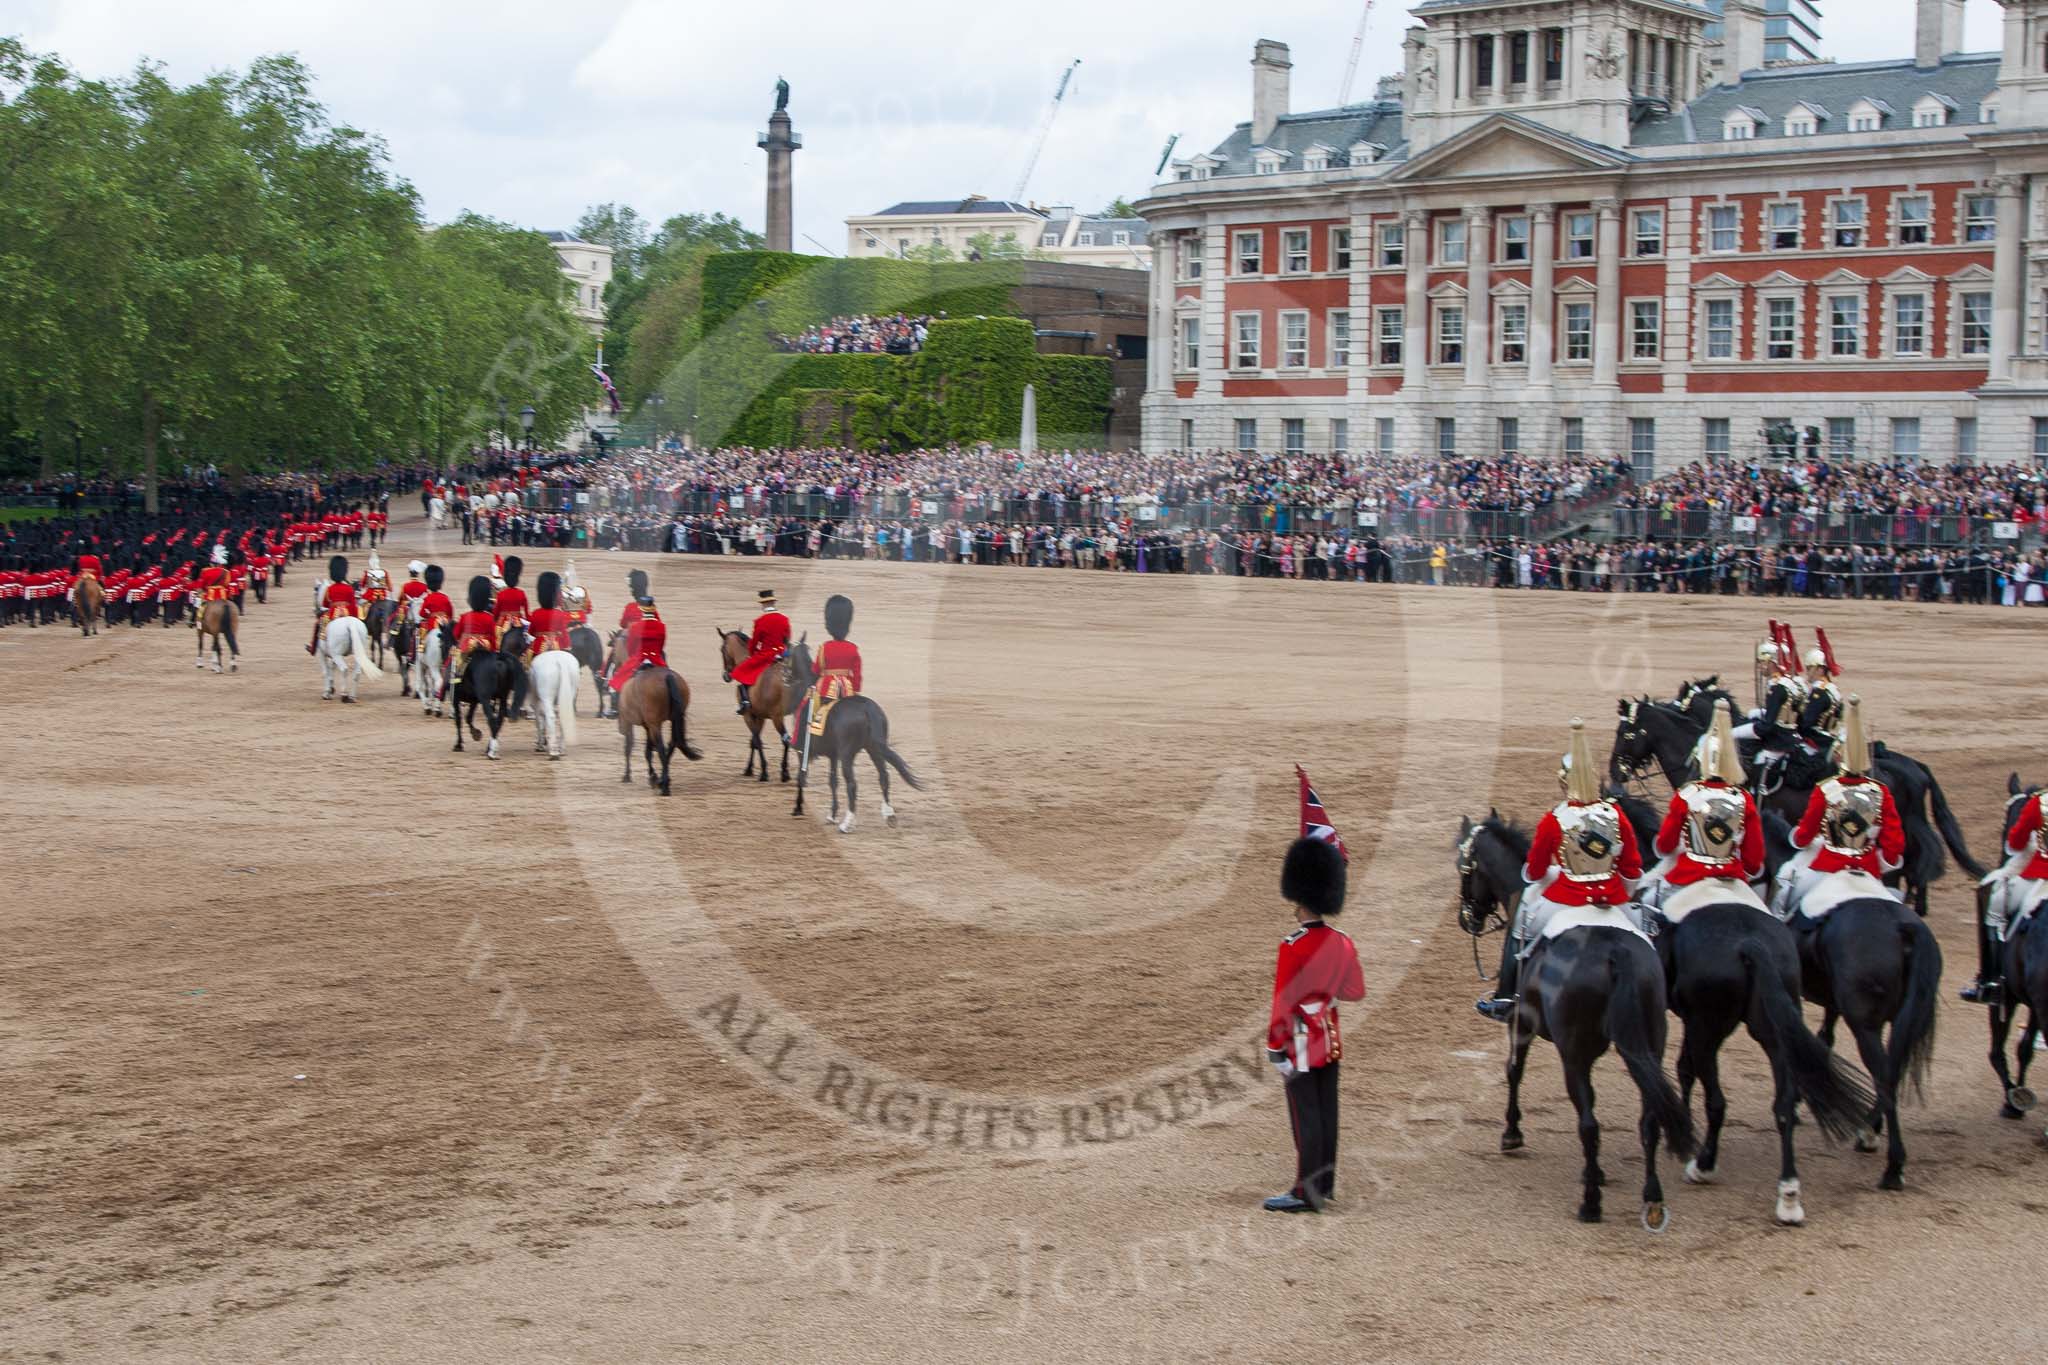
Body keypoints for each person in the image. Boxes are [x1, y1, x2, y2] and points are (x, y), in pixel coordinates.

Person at [1478, 720, 1643, 1021]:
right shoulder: (1616, 814)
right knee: (1646, 934)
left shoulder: (1556, 819)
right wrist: (1621, 895)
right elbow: (1632, 868)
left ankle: (1506, 996)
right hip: (1613, 897)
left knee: (1522, 924)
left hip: (1568, 895)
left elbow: (1536, 871)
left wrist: (1543, 874)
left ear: (1564, 783)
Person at [1262, 835, 1364, 1214]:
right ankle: (1324, 1183)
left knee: (1306, 1116)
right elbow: (1355, 991)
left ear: (1299, 900)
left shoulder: (1293, 945)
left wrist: (1276, 1047)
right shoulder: (1343, 942)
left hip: (1303, 1041)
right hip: (1331, 1036)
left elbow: (1284, 1001)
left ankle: (1306, 1192)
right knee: (1326, 1111)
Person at [1774, 697, 1904, 918]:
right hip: (1868, 870)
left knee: (1785, 889)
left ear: (1838, 756)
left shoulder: (1826, 790)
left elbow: (1805, 835)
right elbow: (1894, 843)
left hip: (1828, 866)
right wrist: (1881, 864)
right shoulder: (1880, 792)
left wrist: (1797, 839)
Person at [1647, 700, 1763, 907]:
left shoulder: (1687, 795)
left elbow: (1666, 845)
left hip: (1689, 874)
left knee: (1648, 904)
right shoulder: (1744, 799)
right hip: (1732, 877)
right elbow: (1754, 859)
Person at [1963, 784, 2048, 1007]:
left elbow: (2015, 842)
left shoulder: (2040, 803)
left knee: (1996, 903)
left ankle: (1993, 979)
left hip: (2040, 878)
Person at [806, 593, 863, 736]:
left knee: (804, 709)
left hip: (826, 690)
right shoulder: (853, 648)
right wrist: (855, 691)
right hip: (847, 691)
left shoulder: (824, 647)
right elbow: (857, 676)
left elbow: (816, 670)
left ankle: (803, 737)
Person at [731, 587, 790, 714]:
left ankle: (745, 701)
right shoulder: (784, 619)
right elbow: (787, 638)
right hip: (782, 653)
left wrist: (752, 655)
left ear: (763, 604)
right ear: (773, 603)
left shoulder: (760, 621)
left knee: (741, 670)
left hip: (767, 654)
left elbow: (754, 643)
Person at [607, 571, 667, 694]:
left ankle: (606, 681)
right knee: (666, 669)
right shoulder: (659, 623)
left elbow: (623, 625)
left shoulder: (630, 607)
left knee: (618, 670)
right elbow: (661, 641)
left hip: (636, 650)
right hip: (655, 653)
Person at [447, 576, 498, 688]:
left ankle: (449, 684)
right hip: (485, 647)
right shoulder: (490, 618)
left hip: (467, 647)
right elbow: (493, 638)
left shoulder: (465, 617)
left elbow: (456, 634)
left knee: (453, 663)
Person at [308, 555, 358, 655]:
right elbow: (353, 603)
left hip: (333, 612)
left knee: (318, 624)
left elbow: (325, 604)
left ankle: (313, 648)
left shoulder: (330, 588)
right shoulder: (349, 588)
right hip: (348, 611)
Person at [526, 570, 572, 659]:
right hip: (557, 647)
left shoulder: (535, 613)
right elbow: (565, 635)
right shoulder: (560, 614)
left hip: (539, 649)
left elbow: (531, 633)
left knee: (526, 663)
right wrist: (567, 646)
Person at [493, 554, 529, 635]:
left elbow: (495, 614)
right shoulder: (521, 593)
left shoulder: (501, 594)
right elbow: (527, 615)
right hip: (518, 625)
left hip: (502, 625)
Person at [562, 558, 592, 629]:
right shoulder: (583, 590)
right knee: (590, 628)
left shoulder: (560, 591)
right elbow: (589, 609)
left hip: (566, 620)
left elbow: (557, 609)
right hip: (582, 619)